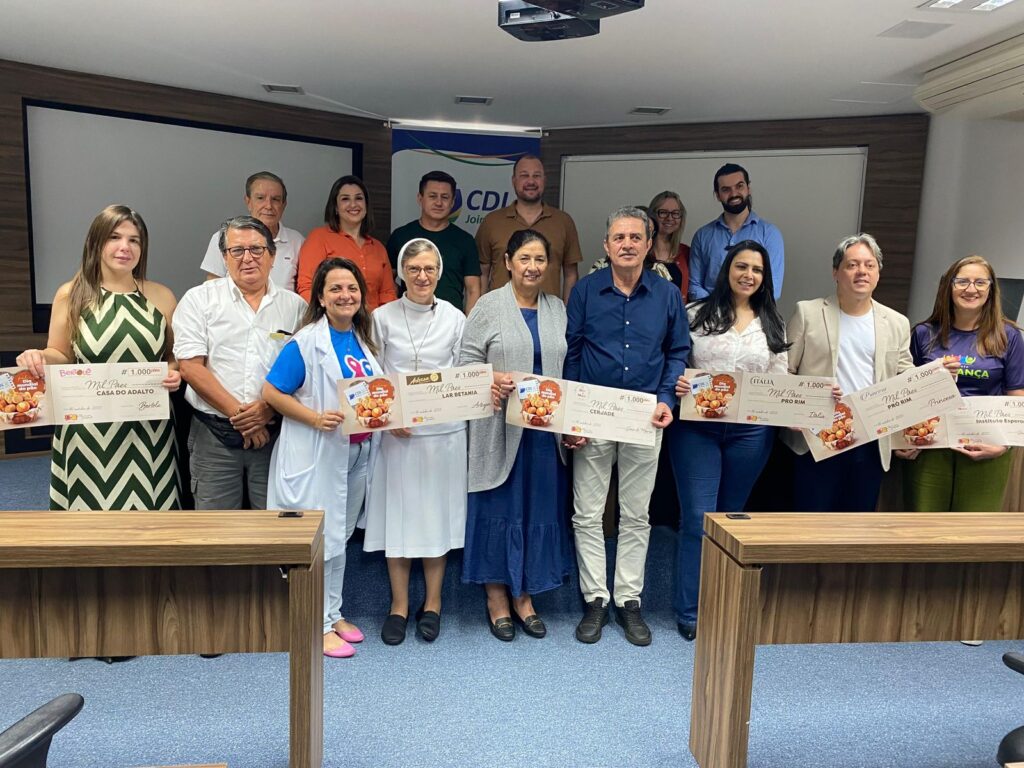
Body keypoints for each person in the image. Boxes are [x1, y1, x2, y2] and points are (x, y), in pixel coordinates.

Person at [563, 206, 690, 646]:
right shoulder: (584, 291)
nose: (628, 244)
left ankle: (628, 601)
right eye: (619, 237)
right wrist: (571, 415)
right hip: (594, 413)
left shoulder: (667, 294)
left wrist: (666, 399)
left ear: (650, 244)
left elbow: (678, 351)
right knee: (587, 513)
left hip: (644, 416)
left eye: (636, 237)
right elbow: (573, 354)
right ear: (606, 245)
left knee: (637, 514)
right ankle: (595, 599)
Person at [17, 205, 181, 511]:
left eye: (134, 240)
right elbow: (60, 354)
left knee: (152, 516)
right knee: (89, 518)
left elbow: (172, 357)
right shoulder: (72, 293)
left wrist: (174, 372)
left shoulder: (162, 296)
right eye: (115, 237)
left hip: (147, 428)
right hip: (88, 430)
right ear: (97, 242)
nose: (125, 247)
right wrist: (38, 356)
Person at [668, 241, 789, 642]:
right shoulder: (695, 314)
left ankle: (722, 606)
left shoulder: (773, 323)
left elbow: (781, 382)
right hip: (697, 431)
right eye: (741, 266)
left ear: (764, 277)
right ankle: (690, 610)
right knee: (697, 521)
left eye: (756, 269)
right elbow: (675, 361)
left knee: (731, 521)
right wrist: (679, 380)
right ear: (727, 269)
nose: (748, 275)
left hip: (749, 434)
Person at [263, 258, 381, 658]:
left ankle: (333, 613)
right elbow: (272, 393)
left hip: (356, 451)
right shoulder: (306, 341)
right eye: (335, 289)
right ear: (320, 296)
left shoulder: (360, 338)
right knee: (320, 541)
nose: (345, 295)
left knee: (341, 537)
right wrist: (314, 418)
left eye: (352, 288)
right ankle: (316, 623)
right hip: (317, 451)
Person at [459, 229, 575, 642]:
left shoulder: (558, 308)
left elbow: (570, 368)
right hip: (498, 431)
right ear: (508, 262)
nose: (532, 267)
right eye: (524, 258)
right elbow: (465, 365)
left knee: (537, 511)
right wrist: (492, 379)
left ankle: (525, 597)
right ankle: (496, 599)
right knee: (499, 509)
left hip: (544, 437)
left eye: (540, 259)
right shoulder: (488, 307)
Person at [363, 239, 467, 645]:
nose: (422, 276)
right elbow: (371, 377)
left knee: (435, 520)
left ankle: (434, 604)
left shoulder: (457, 318)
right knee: (400, 519)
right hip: (397, 437)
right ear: (401, 274)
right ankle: (399, 606)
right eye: (413, 269)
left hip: (444, 437)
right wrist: (388, 419)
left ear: (439, 273)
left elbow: (464, 375)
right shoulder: (382, 317)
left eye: (429, 269)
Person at [174, 215, 307, 510]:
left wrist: (266, 409)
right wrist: (244, 417)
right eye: (237, 250)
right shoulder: (198, 300)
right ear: (224, 257)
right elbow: (191, 367)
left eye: (257, 249)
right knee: (217, 531)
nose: (247, 258)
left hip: (274, 433)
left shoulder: (296, 307)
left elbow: (304, 374)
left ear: (272, 256)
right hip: (213, 433)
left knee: (274, 524)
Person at [781, 233, 913, 512]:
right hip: (817, 437)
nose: (861, 271)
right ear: (835, 272)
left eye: (869, 265)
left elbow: (905, 377)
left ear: (878, 273)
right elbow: (785, 371)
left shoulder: (897, 322)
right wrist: (795, 409)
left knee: (855, 528)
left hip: (871, 440)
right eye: (852, 265)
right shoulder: (808, 312)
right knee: (809, 525)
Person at [901, 255, 1024, 511]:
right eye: (962, 281)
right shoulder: (924, 333)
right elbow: (904, 393)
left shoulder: (1009, 336)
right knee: (923, 529)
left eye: (980, 282)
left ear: (991, 290)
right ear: (949, 287)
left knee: (972, 533)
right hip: (930, 446)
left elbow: (1017, 395)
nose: (971, 289)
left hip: (985, 446)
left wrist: (1004, 444)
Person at [476, 155, 583, 302]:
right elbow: (482, 272)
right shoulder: (492, 222)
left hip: (548, 318)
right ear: (514, 181)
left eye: (536, 176)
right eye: (524, 175)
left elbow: (571, 274)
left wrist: (565, 314)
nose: (531, 181)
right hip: (500, 316)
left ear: (544, 180)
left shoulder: (563, 222)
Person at [296, 175, 397, 310]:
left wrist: (383, 323)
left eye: (359, 198)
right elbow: (307, 287)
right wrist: (327, 319)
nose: (353, 204)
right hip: (333, 325)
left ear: (366, 206)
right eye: (345, 199)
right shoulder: (319, 238)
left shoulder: (378, 248)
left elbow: (387, 293)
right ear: (336, 208)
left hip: (373, 326)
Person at [387, 170, 481, 314]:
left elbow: (473, 290)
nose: (438, 202)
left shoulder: (465, 240)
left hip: (451, 325)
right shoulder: (401, 236)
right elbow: (387, 281)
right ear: (420, 198)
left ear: (453, 202)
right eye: (432, 196)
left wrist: (468, 328)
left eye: (445, 197)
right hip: (408, 320)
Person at [689, 163, 785, 301]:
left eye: (739, 186)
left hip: (754, 318)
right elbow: (695, 286)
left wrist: (742, 311)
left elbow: (772, 290)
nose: (734, 194)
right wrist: (717, 310)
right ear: (717, 195)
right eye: (726, 189)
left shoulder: (770, 234)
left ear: (748, 188)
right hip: (710, 317)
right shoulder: (702, 236)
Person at [199, 171, 303, 291]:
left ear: (283, 205)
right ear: (248, 202)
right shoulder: (224, 237)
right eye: (260, 198)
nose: (268, 206)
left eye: (275, 199)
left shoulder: (297, 241)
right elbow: (212, 288)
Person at [648, 191, 691, 299]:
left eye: (675, 213)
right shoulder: (640, 251)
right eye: (663, 212)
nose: (670, 218)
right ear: (652, 215)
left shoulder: (686, 252)